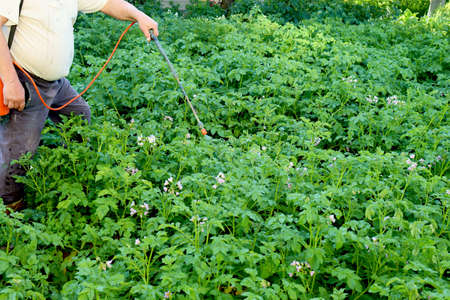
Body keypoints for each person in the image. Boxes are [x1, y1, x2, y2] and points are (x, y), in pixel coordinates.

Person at [0, 0, 159, 209]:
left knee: (78, 115)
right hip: (25, 78)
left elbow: (108, 2)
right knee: (19, 152)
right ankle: (9, 208)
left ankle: (67, 171)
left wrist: (139, 15)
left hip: (55, 83)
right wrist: (11, 82)